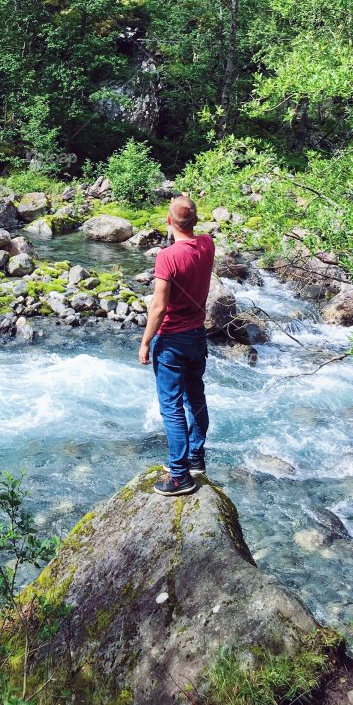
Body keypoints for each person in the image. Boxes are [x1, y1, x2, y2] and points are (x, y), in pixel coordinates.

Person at [138, 193, 214, 496]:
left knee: (171, 407)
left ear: (168, 221)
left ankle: (180, 476)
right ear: (195, 221)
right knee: (195, 396)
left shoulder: (167, 256)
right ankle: (196, 458)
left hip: (171, 340)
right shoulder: (207, 244)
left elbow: (158, 306)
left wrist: (145, 342)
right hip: (197, 335)